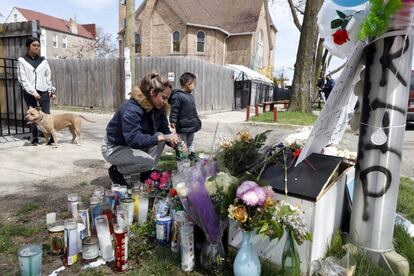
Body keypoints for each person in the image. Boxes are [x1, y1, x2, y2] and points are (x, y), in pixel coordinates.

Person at [101, 72, 180, 186]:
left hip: (132, 144)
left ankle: (147, 174)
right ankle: (116, 171)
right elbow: (133, 139)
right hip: (114, 147)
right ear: (152, 92)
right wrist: (163, 137)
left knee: (160, 135)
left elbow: (164, 130)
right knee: (151, 157)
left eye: (168, 99)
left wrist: (173, 142)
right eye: (164, 98)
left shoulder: (158, 108)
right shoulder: (131, 110)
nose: (166, 102)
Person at [17, 37, 56, 145]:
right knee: (32, 115)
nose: (36, 47)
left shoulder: (43, 61)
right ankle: (34, 137)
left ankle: (51, 137)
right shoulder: (22, 61)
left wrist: (51, 91)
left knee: (46, 114)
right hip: (30, 93)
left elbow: (48, 76)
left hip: (43, 92)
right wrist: (32, 91)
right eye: (34, 45)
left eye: (38, 45)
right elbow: (22, 78)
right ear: (27, 47)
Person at [169, 72, 202, 161]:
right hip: (182, 125)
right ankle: (180, 155)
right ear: (188, 84)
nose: (194, 86)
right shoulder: (178, 95)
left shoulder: (190, 96)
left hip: (191, 124)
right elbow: (174, 109)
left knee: (190, 141)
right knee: (181, 141)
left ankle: (191, 154)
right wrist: (173, 120)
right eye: (194, 84)